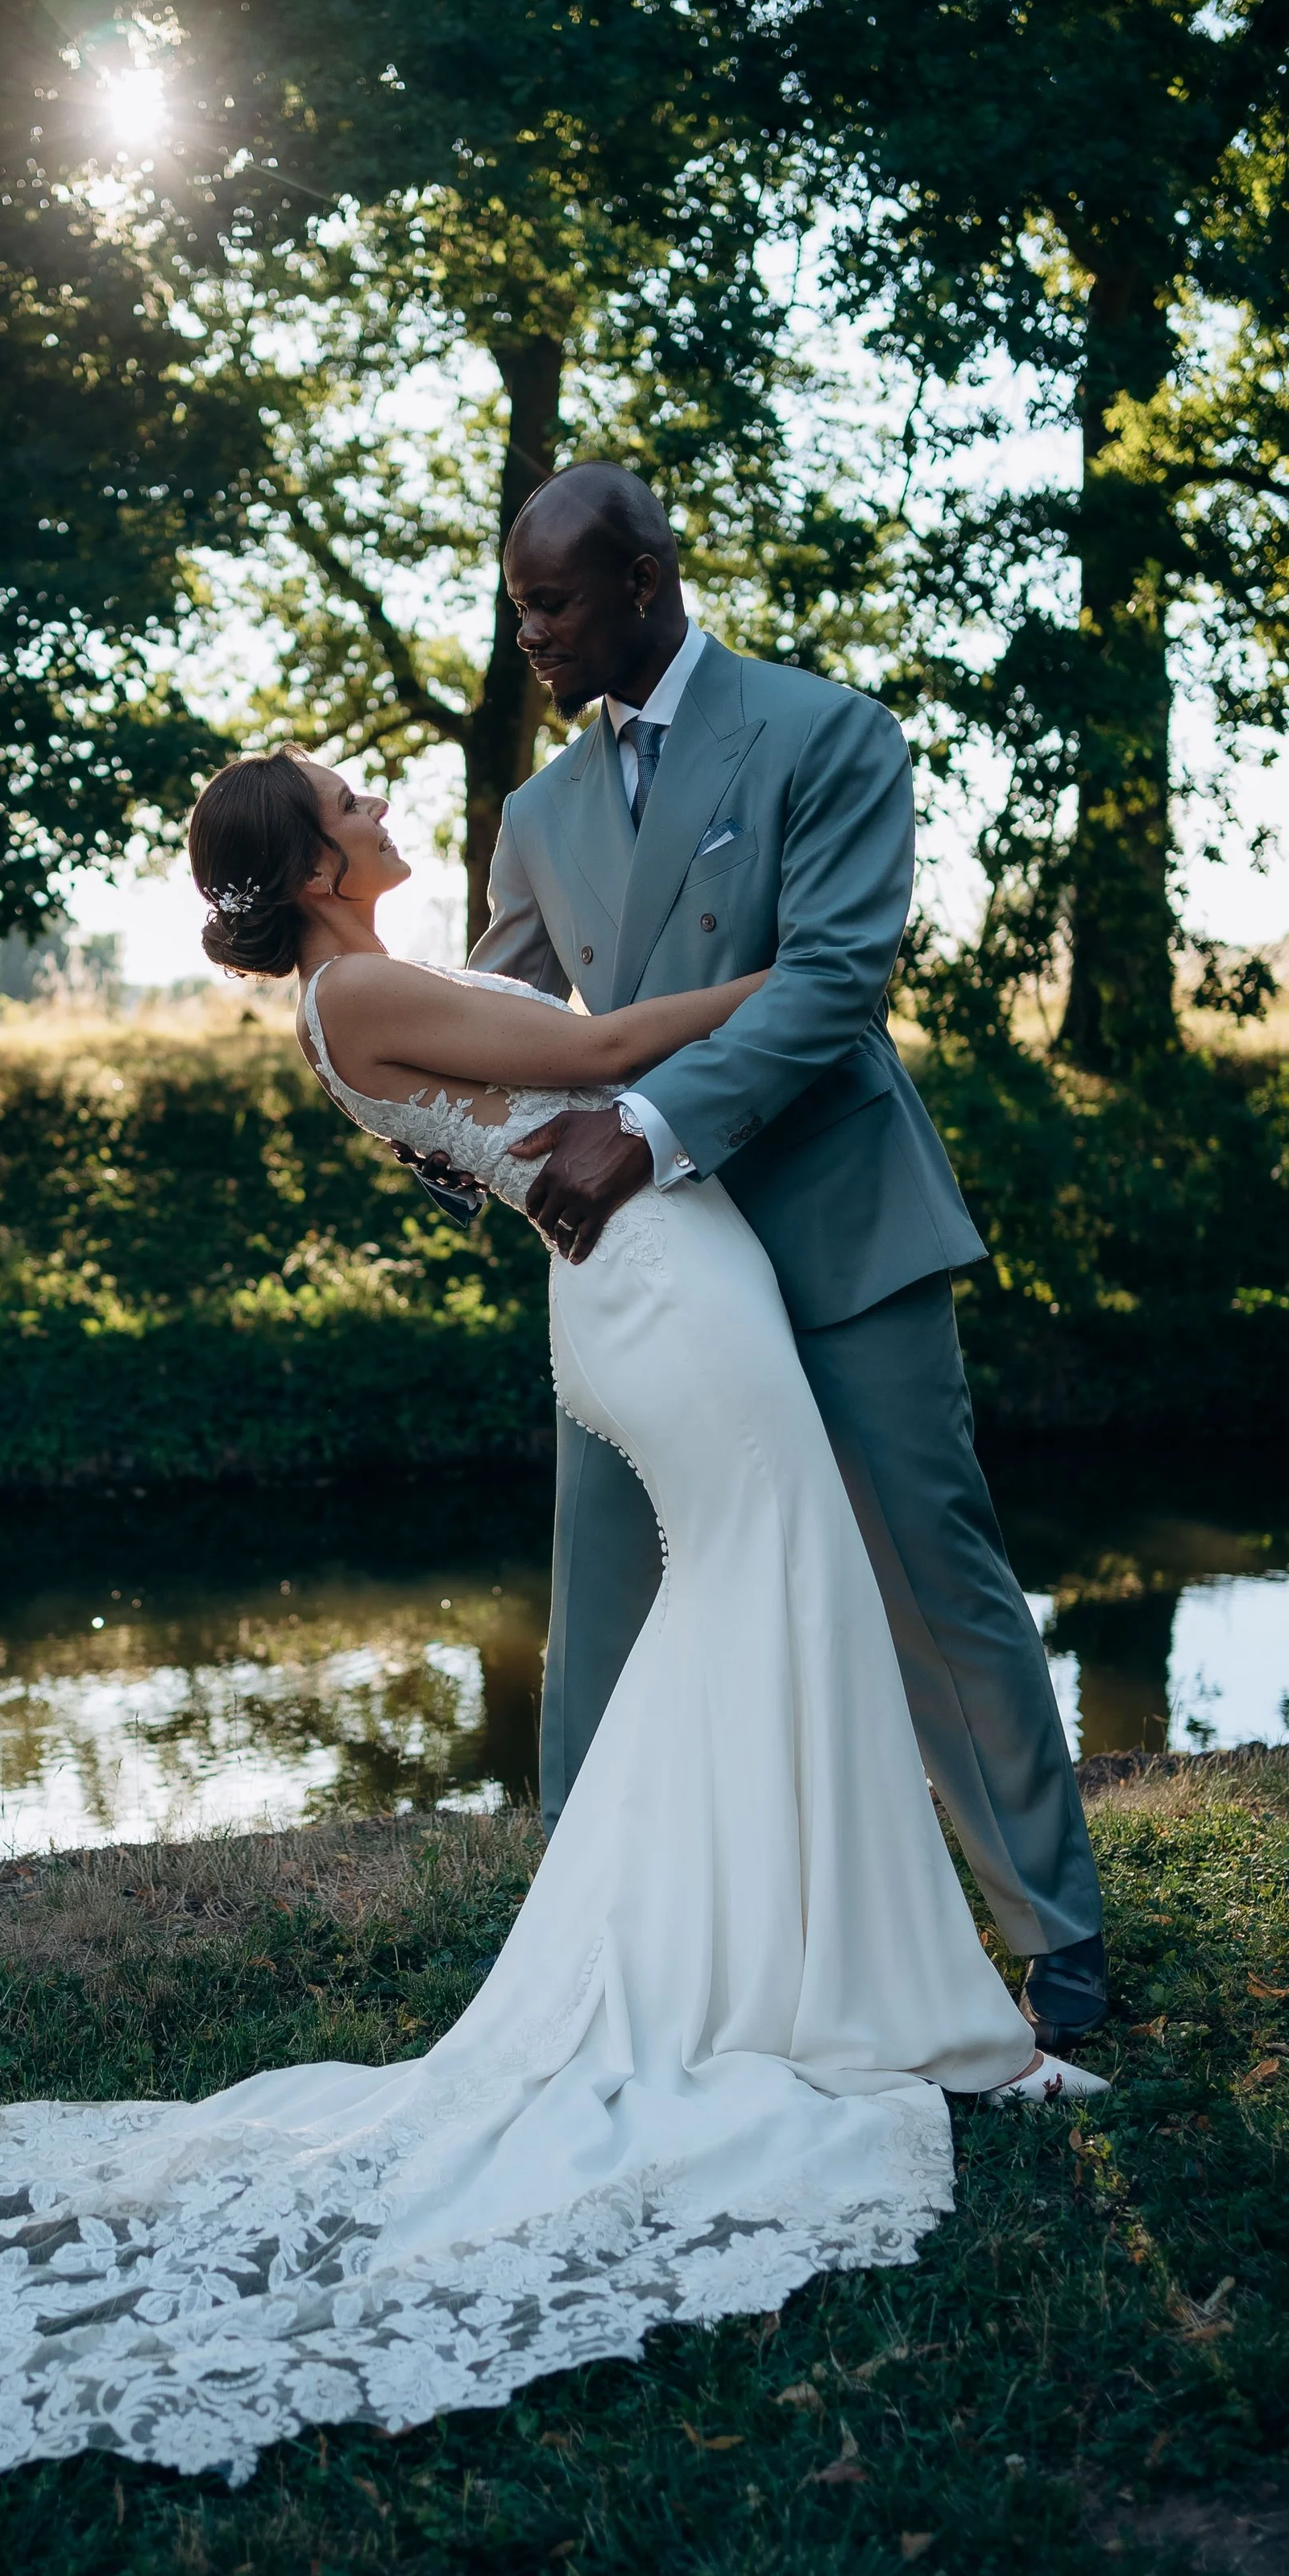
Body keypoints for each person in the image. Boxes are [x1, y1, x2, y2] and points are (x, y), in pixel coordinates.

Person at [0, 740, 1102, 2516]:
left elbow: (558, 1063)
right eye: (349, 802)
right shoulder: (362, 985)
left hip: (651, 1281)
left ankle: (796, 1973)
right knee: (773, 1592)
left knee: (763, 1608)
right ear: (310, 865)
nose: (381, 808)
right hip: (657, 1294)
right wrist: (812, 972)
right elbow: (611, 1056)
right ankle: (830, 1994)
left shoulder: (365, 980)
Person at [458, 463, 1107, 2059]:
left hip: (832, 1228)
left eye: (550, 602)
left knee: (927, 1574)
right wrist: (457, 1134)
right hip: (642, 1268)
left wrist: (646, 1126)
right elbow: (491, 1033)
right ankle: (588, 1947)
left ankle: (1055, 1931)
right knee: (602, 1590)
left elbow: (828, 985)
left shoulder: (826, 734)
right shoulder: (534, 816)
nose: (526, 633)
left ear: (644, 583)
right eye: (515, 605)